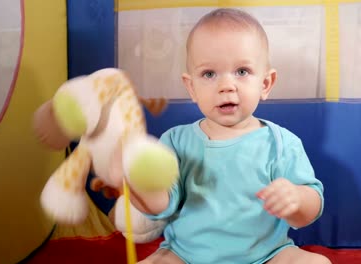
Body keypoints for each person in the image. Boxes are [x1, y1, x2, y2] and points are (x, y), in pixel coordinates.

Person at [128, 8, 331, 264]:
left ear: (265, 84)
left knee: (316, 263)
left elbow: (310, 208)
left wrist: (297, 199)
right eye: (209, 74)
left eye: (242, 71)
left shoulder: (281, 143)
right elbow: (160, 206)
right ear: (191, 87)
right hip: (186, 256)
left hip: (266, 256)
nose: (226, 86)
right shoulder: (175, 141)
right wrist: (140, 185)